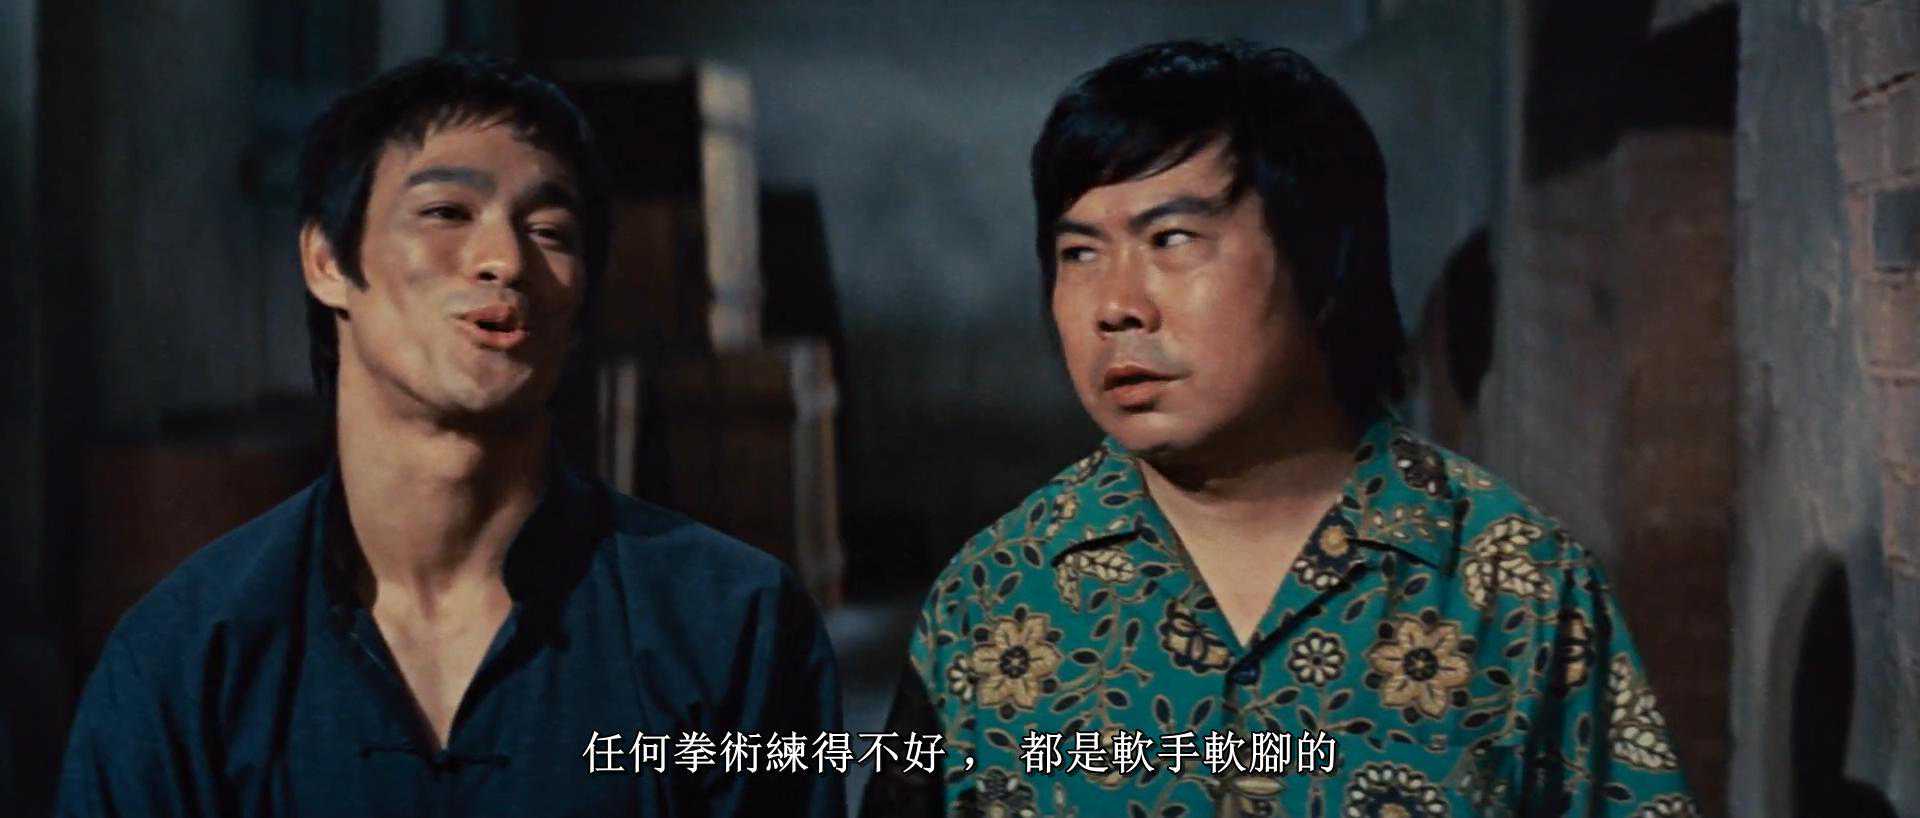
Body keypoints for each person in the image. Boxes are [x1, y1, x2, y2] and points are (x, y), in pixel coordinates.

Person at [863, 40, 1697, 817]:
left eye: (1172, 239)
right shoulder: (992, 598)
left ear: (1322, 261)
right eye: (1079, 253)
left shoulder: (1520, 589)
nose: (1116, 306)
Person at [57, 54, 844, 817]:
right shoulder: (182, 660)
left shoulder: (734, 627)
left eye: (550, 230)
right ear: (326, 260)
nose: (505, 260)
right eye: (445, 213)